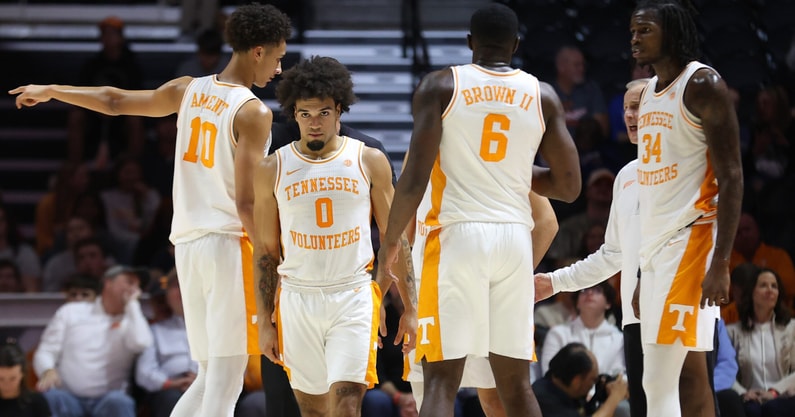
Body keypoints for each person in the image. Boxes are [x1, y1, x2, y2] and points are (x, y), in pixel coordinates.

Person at [10, 4, 293, 416]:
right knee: (227, 378)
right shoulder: (253, 112)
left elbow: (112, 101)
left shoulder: (187, 89)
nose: (280, 69)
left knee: (211, 374)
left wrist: (53, 89)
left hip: (188, 248)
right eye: (279, 57)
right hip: (229, 244)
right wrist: (275, 256)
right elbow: (246, 202)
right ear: (258, 51)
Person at [379, 4, 581, 417]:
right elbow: (569, 186)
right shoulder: (542, 94)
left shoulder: (441, 86)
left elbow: (414, 179)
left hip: (457, 236)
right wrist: (515, 171)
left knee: (440, 382)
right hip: (513, 239)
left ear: (469, 42)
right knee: (516, 389)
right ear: (516, 45)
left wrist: (388, 248)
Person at [252, 55, 417, 417]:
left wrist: (410, 306)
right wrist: (264, 321)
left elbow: (396, 239)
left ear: (339, 110)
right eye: (305, 113)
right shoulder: (271, 168)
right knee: (313, 412)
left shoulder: (368, 159)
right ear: (292, 113)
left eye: (323, 113)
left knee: (346, 403)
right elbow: (265, 252)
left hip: (352, 295)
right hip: (297, 298)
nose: (314, 123)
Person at [630, 2, 744, 417]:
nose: (634, 39)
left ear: (671, 32)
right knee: (661, 380)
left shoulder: (702, 84)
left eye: (644, 30)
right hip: (658, 251)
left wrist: (722, 261)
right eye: (632, 32)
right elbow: (654, 194)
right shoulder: (647, 95)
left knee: (659, 381)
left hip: (692, 244)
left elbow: (732, 176)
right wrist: (644, 269)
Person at [535, 78, 649, 416]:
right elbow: (612, 254)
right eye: (626, 107)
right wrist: (554, 282)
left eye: (639, 105)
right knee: (644, 408)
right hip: (636, 315)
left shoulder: (686, 164)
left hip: (680, 306)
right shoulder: (626, 176)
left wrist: (650, 279)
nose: (630, 114)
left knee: (691, 402)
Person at [33, 265, 152, 417]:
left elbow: (141, 344)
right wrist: (47, 370)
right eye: (129, 282)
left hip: (109, 400)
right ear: (108, 282)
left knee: (120, 402)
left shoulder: (133, 321)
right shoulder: (71, 312)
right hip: (67, 396)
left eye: (138, 286)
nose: (135, 289)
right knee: (51, 397)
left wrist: (133, 305)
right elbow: (46, 350)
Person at [726, 267, 795, 417]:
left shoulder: (792, 328)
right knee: (752, 410)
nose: (769, 290)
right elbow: (724, 370)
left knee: (774, 409)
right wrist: (744, 393)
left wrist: (774, 391)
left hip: (784, 396)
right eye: (763, 285)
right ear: (751, 292)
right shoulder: (732, 332)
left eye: (774, 286)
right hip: (750, 399)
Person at [135, 270, 198, 417]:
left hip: (210, 387)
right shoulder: (154, 330)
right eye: (177, 285)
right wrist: (172, 383)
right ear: (167, 296)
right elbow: (144, 372)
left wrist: (204, 382)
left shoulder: (216, 329)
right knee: (172, 399)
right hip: (169, 389)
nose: (183, 289)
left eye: (188, 283)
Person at [532, 342, 629, 417]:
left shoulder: (562, 387)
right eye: (592, 380)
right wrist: (615, 397)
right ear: (576, 381)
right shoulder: (543, 400)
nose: (592, 384)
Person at [0, 341, 52, 417]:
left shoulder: (37, 402)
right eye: (1, 379)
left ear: (22, 374)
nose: (7, 384)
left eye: (13, 378)